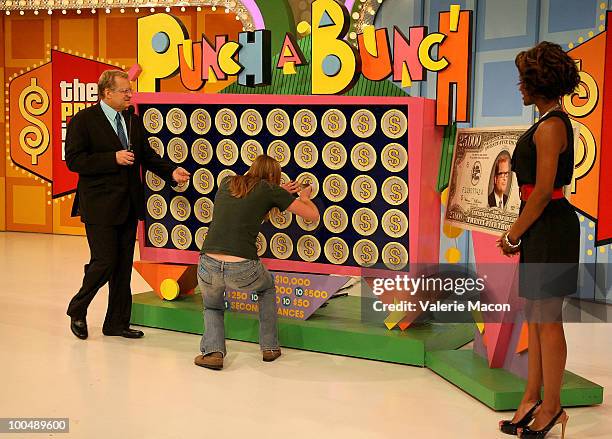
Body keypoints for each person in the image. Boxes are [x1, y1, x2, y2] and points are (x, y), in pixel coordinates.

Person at [65, 70, 190, 340]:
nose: (129, 95)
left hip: (129, 203)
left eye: (129, 91)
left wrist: (171, 172)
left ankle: (116, 323)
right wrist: (112, 158)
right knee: (105, 261)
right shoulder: (83, 121)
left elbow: (147, 156)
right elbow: (74, 161)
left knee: (122, 266)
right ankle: (78, 308)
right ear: (107, 93)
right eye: (124, 91)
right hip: (99, 205)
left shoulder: (132, 120)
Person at [497, 42, 580, 438]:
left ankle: (553, 406)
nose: (519, 88)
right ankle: (531, 398)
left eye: (523, 80)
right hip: (542, 226)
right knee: (536, 315)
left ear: (537, 82)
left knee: (548, 319)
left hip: (550, 227)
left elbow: (544, 191)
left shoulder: (551, 126)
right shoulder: (547, 121)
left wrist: (513, 232)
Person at [194, 154, 319, 370]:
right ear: (274, 177)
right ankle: (270, 347)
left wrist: (280, 194)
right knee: (267, 287)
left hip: (208, 262)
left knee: (212, 306)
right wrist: (304, 197)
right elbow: (312, 215)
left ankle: (214, 352)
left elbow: (246, 206)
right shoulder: (270, 191)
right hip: (242, 267)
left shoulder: (227, 182)